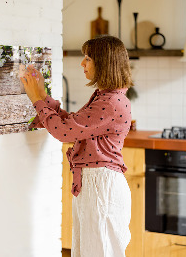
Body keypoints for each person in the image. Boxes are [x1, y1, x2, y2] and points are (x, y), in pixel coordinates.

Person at [20, 35, 133, 257]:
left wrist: (36, 99)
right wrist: (43, 96)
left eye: (88, 58)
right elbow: (73, 124)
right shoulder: (106, 97)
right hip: (95, 184)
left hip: (101, 186)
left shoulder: (110, 102)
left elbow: (64, 132)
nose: (82, 63)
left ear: (104, 62)